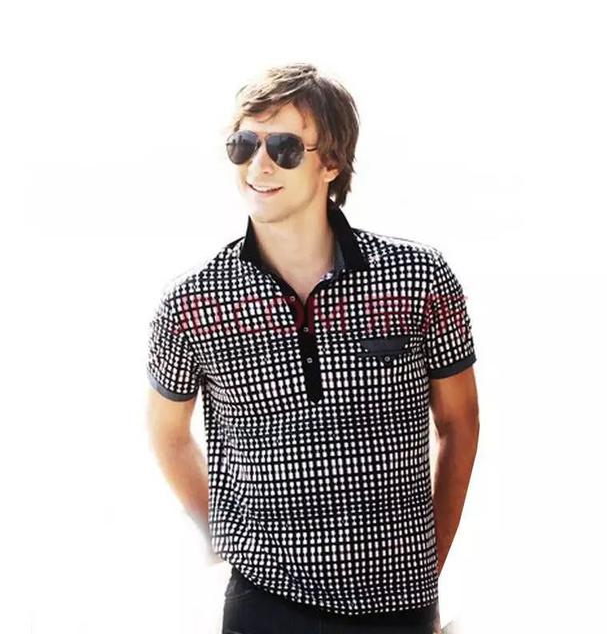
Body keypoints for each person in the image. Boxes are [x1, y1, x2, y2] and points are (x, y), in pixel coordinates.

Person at [146, 62, 479, 634]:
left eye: (284, 148)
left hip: (400, 603)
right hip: (264, 602)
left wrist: (428, 564)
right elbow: (169, 435)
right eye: (243, 144)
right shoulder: (192, 302)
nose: (259, 164)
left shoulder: (420, 277)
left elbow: (460, 422)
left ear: (331, 163)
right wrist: (224, 535)